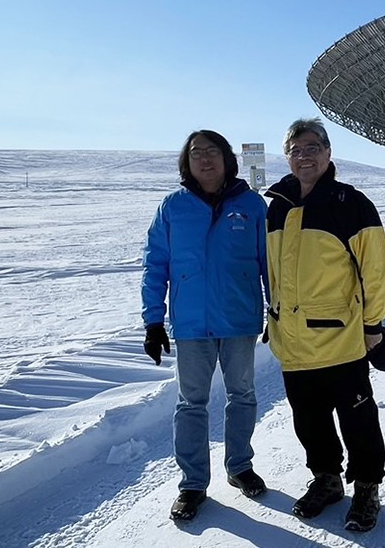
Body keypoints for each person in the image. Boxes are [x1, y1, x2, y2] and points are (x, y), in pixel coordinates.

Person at [265, 117, 385, 532]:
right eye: (296, 150)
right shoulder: (277, 206)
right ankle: (327, 479)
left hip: (341, 339)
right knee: (309, 419)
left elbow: (375, 271)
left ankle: (367, 487)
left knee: (357, 419)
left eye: (312, 148)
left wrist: (372, 325)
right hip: (293, 342)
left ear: (328, 152)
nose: (305, 156)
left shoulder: (350, 203)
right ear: (287, 156)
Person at [141, 130, 270, 521]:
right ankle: (193, 484)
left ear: (226, 158)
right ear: (187, 162)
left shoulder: (252, 205)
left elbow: (270, 262)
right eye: (196, 153)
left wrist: (277, 309)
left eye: (212, 152)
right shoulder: (172, 207)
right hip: (191, 324)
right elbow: (155, 264)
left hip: (239, 318)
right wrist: (152, 321)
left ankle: (239, 467)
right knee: (191, 403)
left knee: (242, 395)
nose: (205, 160)